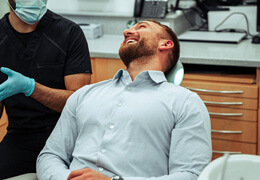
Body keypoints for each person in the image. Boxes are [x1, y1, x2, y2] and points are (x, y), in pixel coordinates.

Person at [36, 19, 212, 180]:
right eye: (130, 28)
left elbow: (191, 175)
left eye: (141, 27)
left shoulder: (185, 103)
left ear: (165, 44)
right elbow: (50, 155)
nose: (127, 31)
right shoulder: (85, 95)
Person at [0, 0, 92, 178]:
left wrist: (30, 88)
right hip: (21, 135)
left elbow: (79, 103)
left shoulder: (69, 33)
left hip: (69, 136)